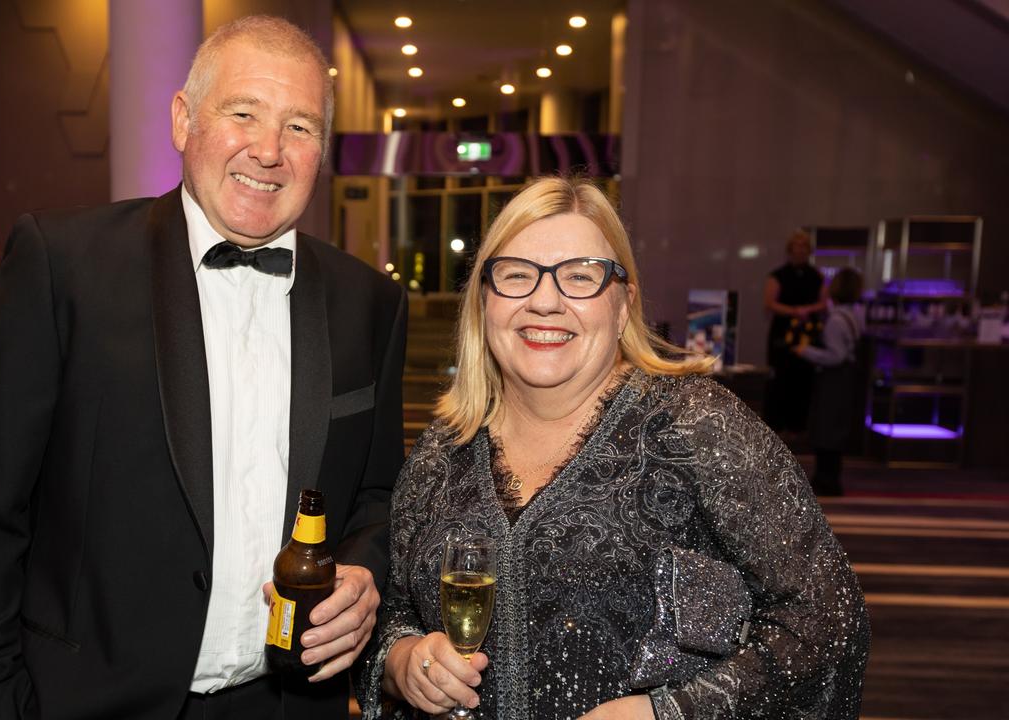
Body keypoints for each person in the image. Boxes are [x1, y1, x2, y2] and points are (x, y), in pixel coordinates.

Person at [0, 16, 407, 719]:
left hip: (286, 703)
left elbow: (375, 493)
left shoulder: (369, 302)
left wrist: (365, 569)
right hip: (82, 700)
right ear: (184, 120)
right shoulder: (63, 266)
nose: (269, 150)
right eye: (243, 113)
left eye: (300, 127)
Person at [355, 176, 869, 719]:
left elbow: (825, 624)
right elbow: (387, 614)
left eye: (580, 277)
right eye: (517, 276)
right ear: (484, 302)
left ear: (623, 305)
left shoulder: (696, 426)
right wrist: (403, 661)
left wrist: (670, 714)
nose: (544, 302)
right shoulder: (442, 450)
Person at [797, 267, 865, 496]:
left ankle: (826, 480)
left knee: (826, 427)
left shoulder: (836, 320)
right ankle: (830, 477)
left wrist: (806, 351)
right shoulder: (855, 315)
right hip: (847, 378)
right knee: (836, 427)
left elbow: (836, 356)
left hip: (834, 378)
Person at [763, 230, 827, 437]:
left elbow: (824, 302)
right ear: (790, 250)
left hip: (807, 333)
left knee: (803, 378)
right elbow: (770, 303)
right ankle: (776, 424)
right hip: (783, 333)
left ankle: (799, 425)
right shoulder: (778, 275)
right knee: (780, 377)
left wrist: (807, 311)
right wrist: (794, 311)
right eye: (796, 246)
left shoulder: (816, 276)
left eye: (804, 247)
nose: (800, 251)